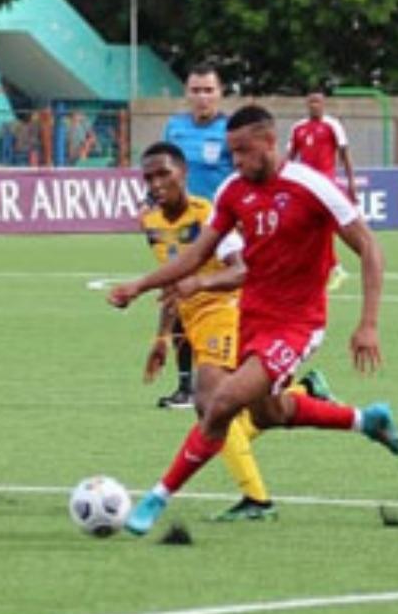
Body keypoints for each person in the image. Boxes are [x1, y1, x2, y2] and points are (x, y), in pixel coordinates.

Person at [108, 106, 398, 537]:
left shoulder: (312, 186)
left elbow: (370, 249)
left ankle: (157, 497)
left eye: (244, 152)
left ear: (269, 142)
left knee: (221, 403)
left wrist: (368, 324)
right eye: (232, 154)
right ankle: (365, 420)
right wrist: (141, 285)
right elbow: (192, 256)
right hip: (252, 317)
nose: (238, 162)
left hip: (298, 323)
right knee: (269, 413)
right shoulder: (232, 191)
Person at [127, 141, 337, 522]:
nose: (156, 184)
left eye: (164, 175)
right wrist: (162, 337)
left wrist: (202, 286)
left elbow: (241, 270)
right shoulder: (151, 222)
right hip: (193, 321)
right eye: (149, 177)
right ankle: (305, 392)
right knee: (240, 411)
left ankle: (257, 500)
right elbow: (172, 281)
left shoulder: (209, 215)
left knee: (210, 405)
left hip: (227, 314)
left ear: (183, 174)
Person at [157, 61, 234, 410]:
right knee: (178, 303)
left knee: (228, 308)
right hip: (183, 230)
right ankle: (186, 386)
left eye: (208, 90)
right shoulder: (175, 128)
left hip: (224, 231)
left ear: (220, 93)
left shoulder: (232, 130)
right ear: (187, 93)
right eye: (196, 90)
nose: (202, 97)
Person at [288, 91, 357, 200]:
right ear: (307, 104)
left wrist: (351, 181)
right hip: (306, 181)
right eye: (311, 102)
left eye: (317, 102)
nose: (314, 105)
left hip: (326, 180)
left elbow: (345, 154)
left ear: (323, 104)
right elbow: (289, 157)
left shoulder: (333, 124)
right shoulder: (298, 127)